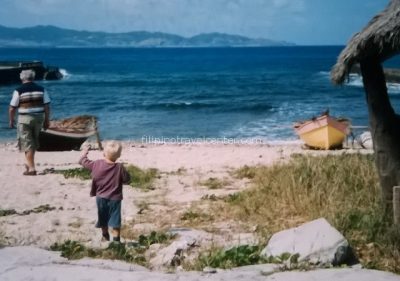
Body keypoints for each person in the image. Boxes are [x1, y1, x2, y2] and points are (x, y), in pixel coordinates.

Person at [79, 141, 131, 242]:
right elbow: (127, 180)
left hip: (101, 197)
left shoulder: (96, 164)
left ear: (104, 153)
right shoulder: (119, 167)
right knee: (115, 221)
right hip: (115, 199)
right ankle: (116, 242)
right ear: (119, 155)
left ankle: (105, 236)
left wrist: (85, 153)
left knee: (103, 218)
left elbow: (82, 161)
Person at [9, 69, 50, 176]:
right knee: (33, 142)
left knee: (27, 143)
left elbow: (12, 108)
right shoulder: (42, 89)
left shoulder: (18, 90)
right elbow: (47, 106)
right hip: (39, 118)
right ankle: (29, 164)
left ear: (22, 78)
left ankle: (31, 169)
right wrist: (47, 120)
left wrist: (11, 120)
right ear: (33, 77)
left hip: (24, 119)